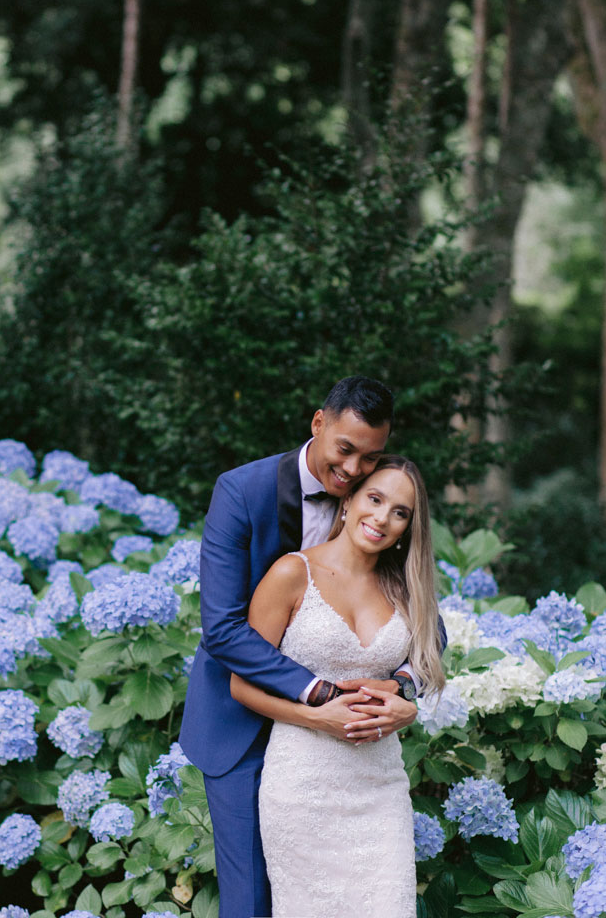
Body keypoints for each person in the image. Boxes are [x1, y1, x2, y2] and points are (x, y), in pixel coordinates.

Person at [179, 376, 443, 917]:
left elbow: (427, 626)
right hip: (241, 721)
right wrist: (320, 695)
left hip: (355, 760)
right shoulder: (241, 491)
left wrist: (401, 686)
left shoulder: (378, 508)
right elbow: (225, 630)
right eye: (344, 450)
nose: (351, 470)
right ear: (318, 423)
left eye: (368, 459)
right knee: (251, 901)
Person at [230, 454, 445, 917]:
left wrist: (406, 702)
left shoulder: (406, 589)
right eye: (375, 498)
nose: (382, 518)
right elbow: (241, 686)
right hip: (302, 787)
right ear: (347, 502)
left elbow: (424, 663)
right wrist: (315, 716)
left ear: (408, 527)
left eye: (400, 512)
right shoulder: (291, 573)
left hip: (380, 788)